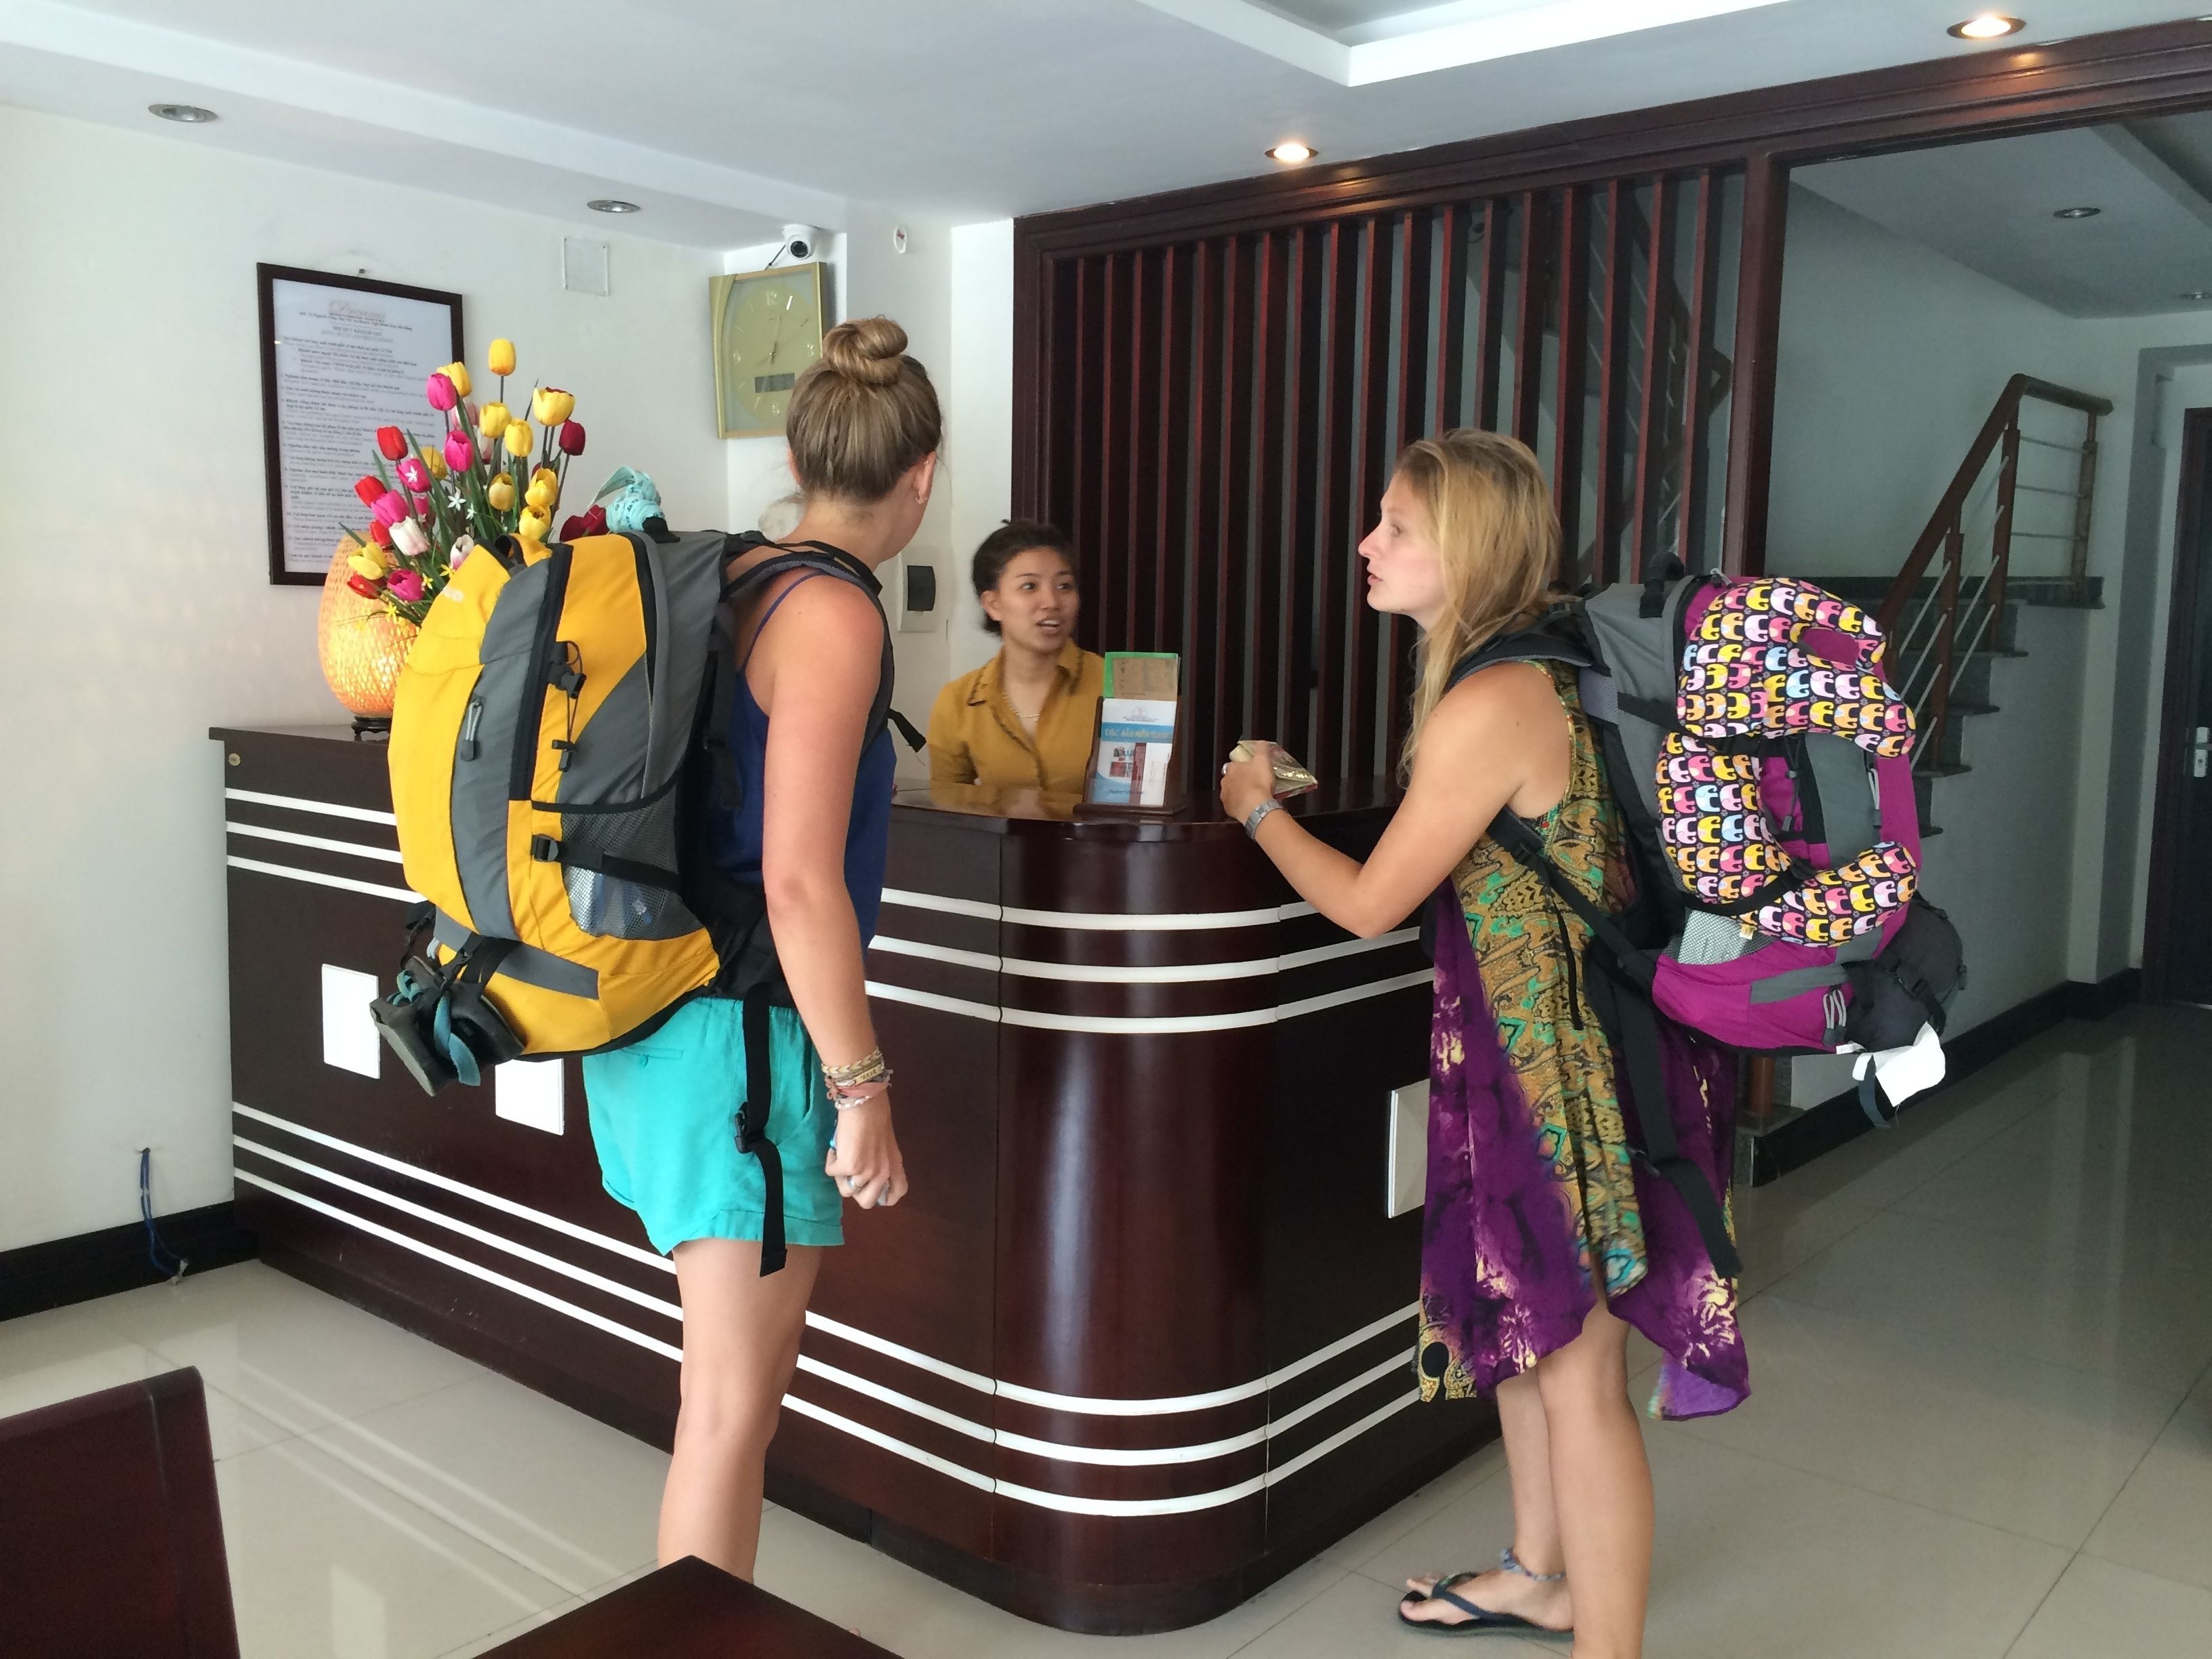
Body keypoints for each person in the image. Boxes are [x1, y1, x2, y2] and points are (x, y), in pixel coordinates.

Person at [1218, 430, 1744, 1658]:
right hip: (1535, 1055)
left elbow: (1365, 901)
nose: (1368, 543)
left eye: (1396, 525)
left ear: (1467, 548)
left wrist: (1252, 807)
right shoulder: (1535, 667)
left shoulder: (1491, 697)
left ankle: (1601, 1642)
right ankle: (1536, 1573)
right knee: (1516, 1328)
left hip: (1563, 1075)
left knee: (1574, 1375)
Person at [581, 316, 939, 1581]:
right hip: (739, 1044)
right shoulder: (832, 617)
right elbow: (796, 882)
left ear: (796, 453)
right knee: (729, 1413)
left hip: (651, 1016)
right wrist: (862, 1087)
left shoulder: (726, 578)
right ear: (922, 475)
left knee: (719, 1400)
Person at [928, 520, 1105, 795]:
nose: (1052, 602)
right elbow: (951, 815)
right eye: (1030, 587)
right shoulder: (959, 701)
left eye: (1064, 586)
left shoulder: (1117, 688)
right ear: (993, 605)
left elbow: (1151, 806)